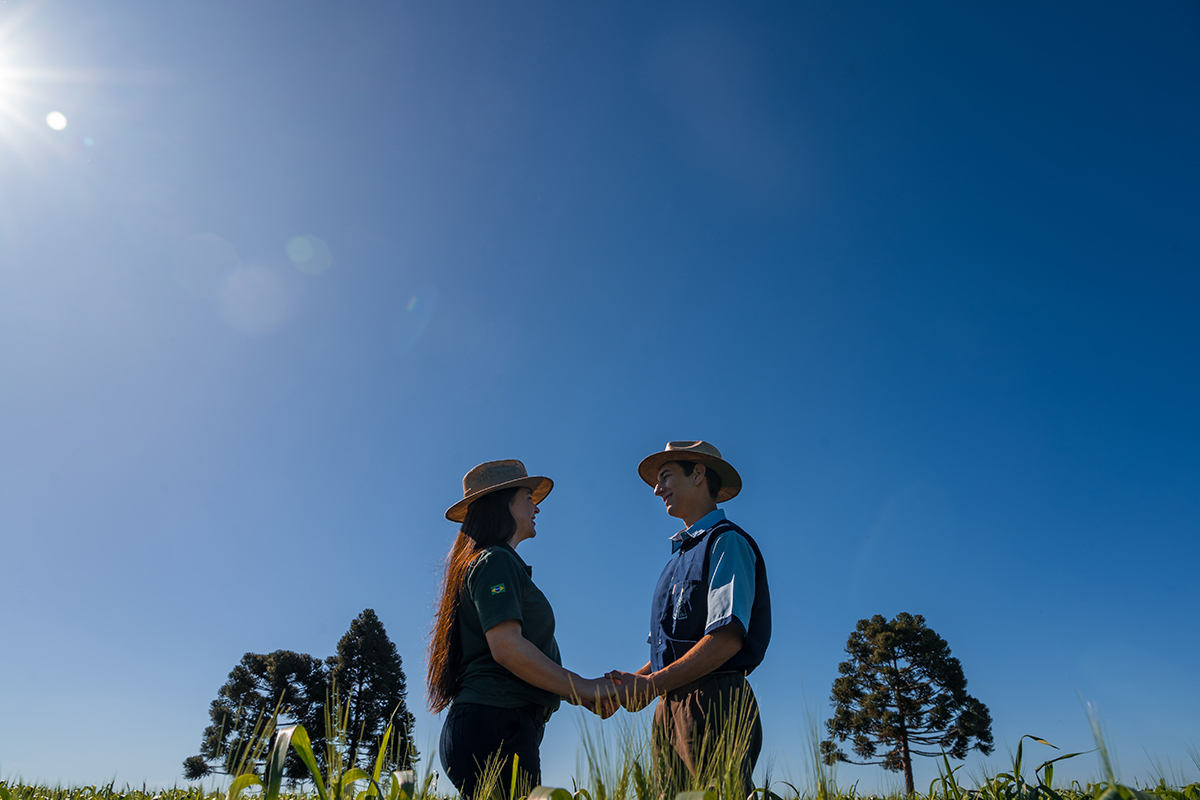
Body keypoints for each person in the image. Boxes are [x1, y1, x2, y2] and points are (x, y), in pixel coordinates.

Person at [427, 459, 617, 800]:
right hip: (496, 726)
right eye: (528, 497)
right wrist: (584, 687)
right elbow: (508, 649)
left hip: (495, 725)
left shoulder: (492, 562)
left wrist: (576, 694)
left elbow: (515, 655)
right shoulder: (495, 561)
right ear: (505, 503)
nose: (537, 508)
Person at [607, 441, 771, 798]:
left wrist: (650, 686)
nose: (656, 488)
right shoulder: (677, 558)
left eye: (665, 476)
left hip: (713, 701)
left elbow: (726, 638)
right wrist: (632, 684)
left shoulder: (726, 542)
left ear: (698, 474)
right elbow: (673, 650)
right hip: (669, 704)